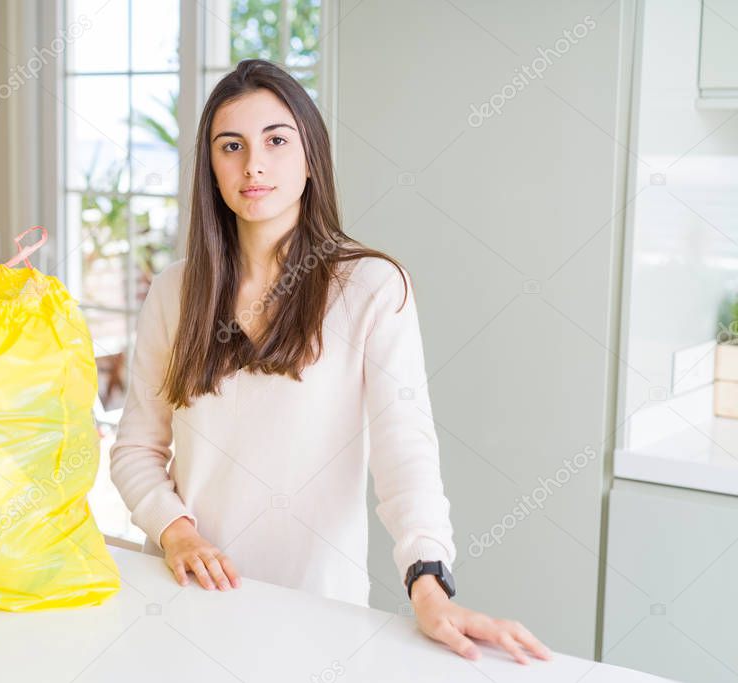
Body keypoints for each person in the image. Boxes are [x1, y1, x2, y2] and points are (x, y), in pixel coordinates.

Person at [109, 58, 553, 666]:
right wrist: (175, 531)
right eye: (230, 146)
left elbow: (407, 451)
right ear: (210, 168)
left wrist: (428, 581)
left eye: (275, 140)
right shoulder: (175, 292)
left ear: (310, 153)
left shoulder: (372, 287)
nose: (253, 164)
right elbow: (136, 448)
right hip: (189, 600)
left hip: (317, 614)